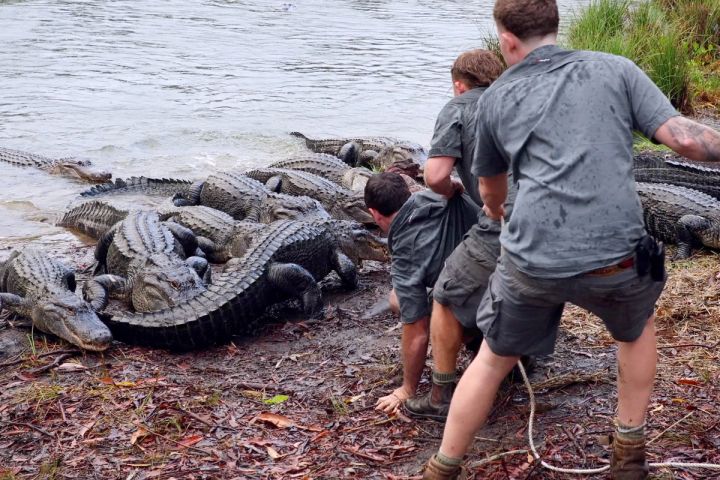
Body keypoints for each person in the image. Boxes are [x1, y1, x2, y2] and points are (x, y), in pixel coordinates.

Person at [422, 1, 720, 479]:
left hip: (531, 263)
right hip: (617, 259)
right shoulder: (616, 69)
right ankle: (628, 451)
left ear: (506, 40)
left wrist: (498, 212)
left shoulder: (495, 98)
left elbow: (490, 190)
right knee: (637, 328)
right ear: (555, 26)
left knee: (495, 357)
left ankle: (444, 465)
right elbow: (685, 140)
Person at [403, 50, 514, 420]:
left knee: (446, 295)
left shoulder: (459, 107)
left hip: (506, 218)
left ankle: (439, 396)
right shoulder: (519, 98)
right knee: (514, 283)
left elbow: (434, 176)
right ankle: (516, 365)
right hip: (557, 216)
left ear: (458, 84)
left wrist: (452, 189)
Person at [364, 173, 479, 415]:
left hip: (483, 305)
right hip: (516, 286)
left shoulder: (405, 250)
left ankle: (474, 348)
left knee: (398, 299)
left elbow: (417, 330)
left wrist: (407, 389)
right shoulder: (446, 193)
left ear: (374, 214)